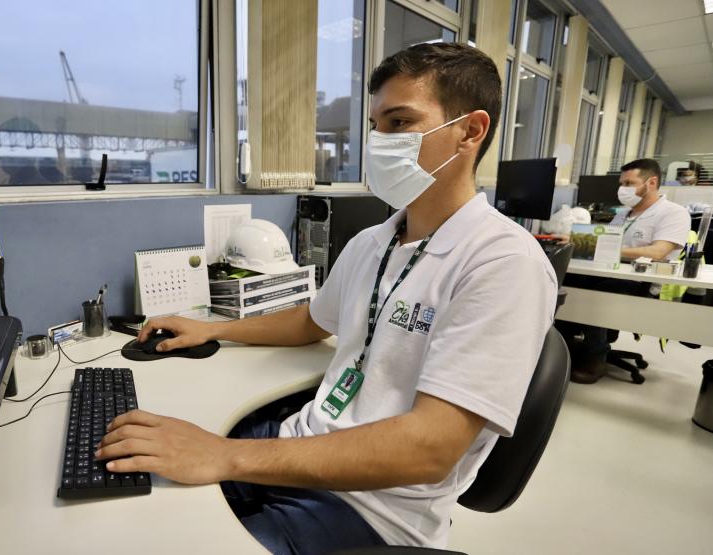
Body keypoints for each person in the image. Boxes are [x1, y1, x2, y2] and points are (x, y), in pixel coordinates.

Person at [94, 43, 557, 553]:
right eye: (377, 124)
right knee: (129, 483)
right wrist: (212, 329)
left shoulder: (502, 263)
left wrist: (225, 456)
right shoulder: (374, 241)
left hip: (373, 509)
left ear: (470, 131)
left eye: (401, 122)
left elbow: (430, 450)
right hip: (302, 443)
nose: (381, 140)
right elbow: (311, 321)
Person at [558, 158, 691, 383]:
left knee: (598, 295)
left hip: (642, 280)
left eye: (629, 183)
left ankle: (595, 357)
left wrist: (600, 245)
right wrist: (578, 241)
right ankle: (565, 345)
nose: (623, 189)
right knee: (565, 281)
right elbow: (606, 243)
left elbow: (658, 252)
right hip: (612, 272)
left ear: (651, 182)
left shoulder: (673, 213)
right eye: (622, 183)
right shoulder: (623, 214)